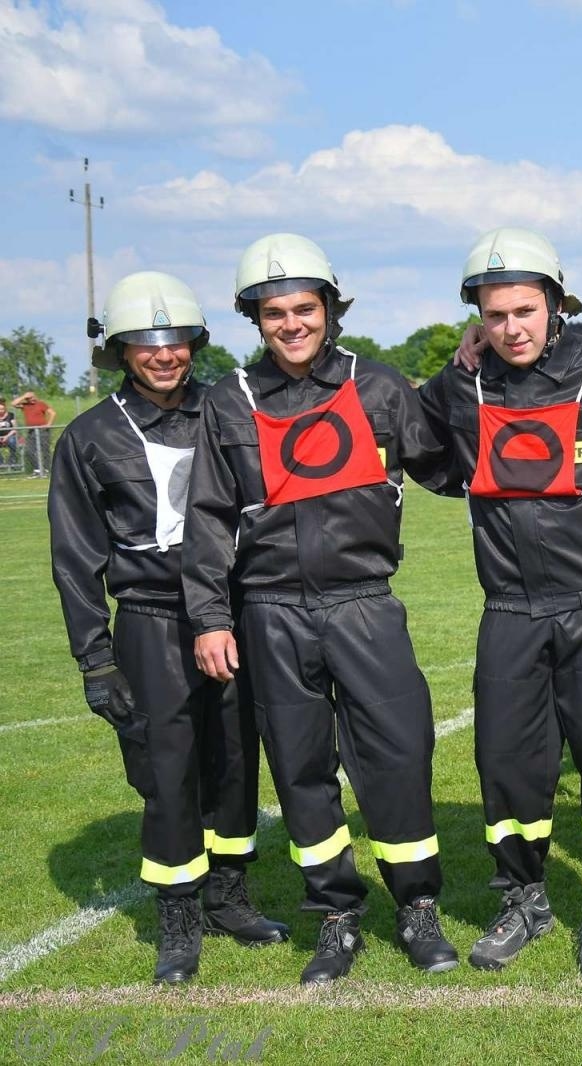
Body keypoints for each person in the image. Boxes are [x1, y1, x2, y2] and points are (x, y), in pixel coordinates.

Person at [184, 234, 458, 984]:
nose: (292, 323)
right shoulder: (227, 402)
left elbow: (449, 465)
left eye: (305, 308)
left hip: (364, 605)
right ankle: (336, 913)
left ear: (330, 309)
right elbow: (207, 516)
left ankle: (416, 909)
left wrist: (477, 379)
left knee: (400, 757)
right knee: (302, 769)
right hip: (270, 612)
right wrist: (211, 616)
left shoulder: (380, 388)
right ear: (256, 319)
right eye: (274, 312)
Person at [417, 228, 582, 975]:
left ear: (556, 305)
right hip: (512, 613)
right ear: (477, 319)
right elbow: (392, 426)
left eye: (525, 309)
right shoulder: (460, 388)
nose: (511, 328)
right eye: (494, 315)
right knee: (508, 767)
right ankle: (524, 899)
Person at [48, 272, 287, 984]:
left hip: (236, 617)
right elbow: (74, 560)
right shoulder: (89, 438)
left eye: (175, 341)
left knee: (236, 764)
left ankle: (230, 897)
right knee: (169, 771)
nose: (163, 356)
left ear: (193, 344)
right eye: (146, 344)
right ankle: (178, 918)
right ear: (122, 350)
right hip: (152, 624)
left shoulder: (226, 411)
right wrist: (96, 661)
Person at [14, 390, 56, 477]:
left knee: (44, 450)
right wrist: (24, 396)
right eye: (30, 398)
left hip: (42, 430)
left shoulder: (41, 404)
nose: (32, 399)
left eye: (33, 397)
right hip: (31, 431)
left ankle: (47, 469)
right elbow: (13, 404)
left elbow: (52, 413)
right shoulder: (25, 405)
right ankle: (37, 469)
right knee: (30, 450)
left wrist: (49, 424)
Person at [0, 398, 18, 468]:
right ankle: (1, 462)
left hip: (9, 436)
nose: (1, 411)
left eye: (2, 409)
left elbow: (15, 429)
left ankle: (12, 460)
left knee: (12, 441)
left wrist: (6, 437)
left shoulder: (10, 415)